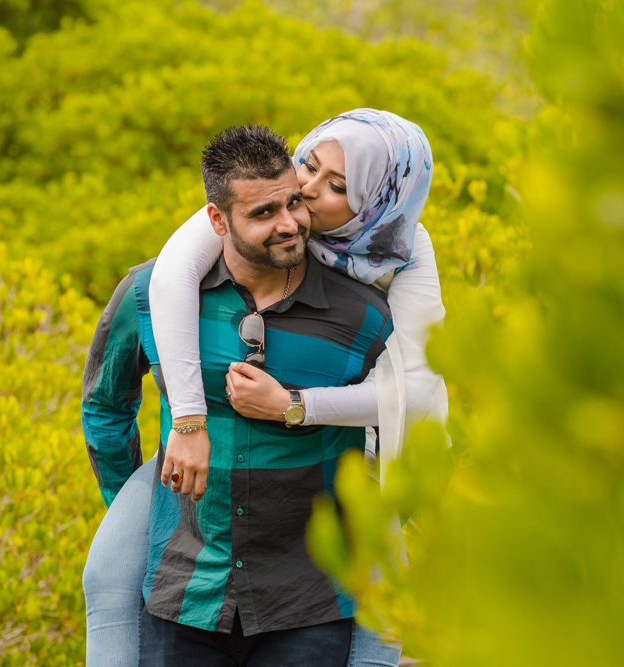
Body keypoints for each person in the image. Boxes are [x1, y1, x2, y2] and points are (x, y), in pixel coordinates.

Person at [83, 109, 447, 666]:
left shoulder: (398, 266)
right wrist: (187, 420)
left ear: (376, 204)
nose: (304, 191)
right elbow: (170, 280)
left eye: (336, 187)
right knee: (107, 576)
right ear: (220, 220)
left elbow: (417, 399)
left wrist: (294, 406)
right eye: (309, 167)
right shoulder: (164, 277)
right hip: (187, 584)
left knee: (384, 608)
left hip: (312, 583)